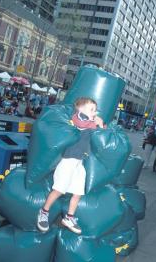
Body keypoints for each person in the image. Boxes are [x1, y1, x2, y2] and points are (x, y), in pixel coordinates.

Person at [37, 97, 104, 234]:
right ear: (80, 108)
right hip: (68, 161)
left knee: (78, 192)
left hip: (79, 162)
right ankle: (44, 212)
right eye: (92, 109)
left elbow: (99, 135)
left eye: (95, 110)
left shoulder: (90, 122)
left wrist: (101, 125)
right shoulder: (78, 118)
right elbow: (81, 124)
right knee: (59, 190)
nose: (94, 112)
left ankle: (69, 217)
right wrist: (95, 123)